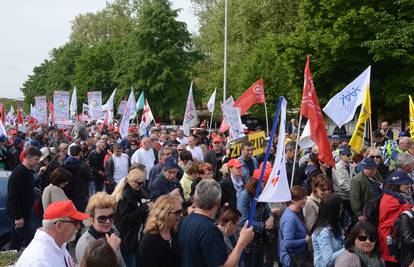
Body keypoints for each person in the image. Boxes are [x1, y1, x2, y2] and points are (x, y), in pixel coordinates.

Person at [179, 179, 254, 267]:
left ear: (195, 199)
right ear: (218, 202)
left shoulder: (185, 220)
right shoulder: (210, 230)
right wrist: (242, 242)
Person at [15, 200, 88, 267]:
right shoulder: (40, 262)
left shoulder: (58, 244)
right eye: (75, 222)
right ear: (59, 226)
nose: (79, 226)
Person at [237, 162, 273, 267]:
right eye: (265, 183)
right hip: (248, 240)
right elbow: (243, 221)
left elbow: (267, 209)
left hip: (259, 239)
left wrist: (270, 217)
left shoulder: (261, 194)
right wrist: (263, 226)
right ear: (257, 183)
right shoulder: (244, 196)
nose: (266, 186)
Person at [112, 168, 150, 267]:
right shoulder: (125, 196)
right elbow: (126, 218)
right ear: (131, 181)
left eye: (143, 183)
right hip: (126, 236)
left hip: (133, 234)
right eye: (139, 183)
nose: (141, 185)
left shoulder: (136, 190)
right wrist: (143, 208)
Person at [7, 146, 42, 250]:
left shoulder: (28, 172)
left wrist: (39, 174)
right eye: (36, 159)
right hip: (20, 216)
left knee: (17, 242)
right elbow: (13, 197)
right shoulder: (19, 173)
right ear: (27, 157)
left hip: (25, 213)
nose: (37, 162)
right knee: (25, 242)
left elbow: (28, 187)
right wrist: (17, 217)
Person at [76, 192, 125, 266]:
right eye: (102, 218)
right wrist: (111, 252)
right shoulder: (86, 244)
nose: (108, 221)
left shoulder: (112, 233)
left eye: (111, 216)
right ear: (91, 219)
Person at [378, 171, 412, 266]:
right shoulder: (390, 199)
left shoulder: (393, 195)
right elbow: (406, 211)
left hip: (391, 239)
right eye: (406, 183)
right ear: (398, 184)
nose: (409, 186)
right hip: (390, 241)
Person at [138, 195, 183, 267]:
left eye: (181, 211)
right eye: (177, 212)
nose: (181, 215)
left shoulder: (174, 234)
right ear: (164, 213)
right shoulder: (149, 241)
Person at [279, 186, 312, 267]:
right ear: (293, 200)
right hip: (294, 259)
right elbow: (288, 243)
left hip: (300, 255)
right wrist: (305, 240)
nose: (304, 200)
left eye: (305, 197)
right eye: (301, 199)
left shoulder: (298, 210)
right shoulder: (289, 219)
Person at [312, 193, 345, 267]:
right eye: (340, 208)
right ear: (333, 211)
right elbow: (329, 260)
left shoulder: (336, 224)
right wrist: (347, 249)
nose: (341, 211)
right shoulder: (323, 232)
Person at [350, 158, 383, 222]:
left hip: (376, 208)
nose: (373, 171)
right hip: (367, 211)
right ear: (365, 168)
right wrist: (359, 214)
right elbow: (354, 198)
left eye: (374, 169)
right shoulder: (357, 180)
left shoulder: (375, 175)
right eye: (371, 170)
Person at [64, 145, 94, 212]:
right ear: (80, 153)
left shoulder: (65, 163)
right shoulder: (82, 165)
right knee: (81, 213)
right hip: (81, 193)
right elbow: (90, 178)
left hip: (69, 192)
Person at [332, 145, 355, 227]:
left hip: (350, 196)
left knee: (353, 218)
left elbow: (353, 179)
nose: (349, 157)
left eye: (350, 154)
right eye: (347, 155)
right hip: (341, 197)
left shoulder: (351, 166)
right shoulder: (337, 167)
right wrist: (355, 190)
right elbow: (341, 184)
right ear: (341, 156)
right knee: (342, 218)